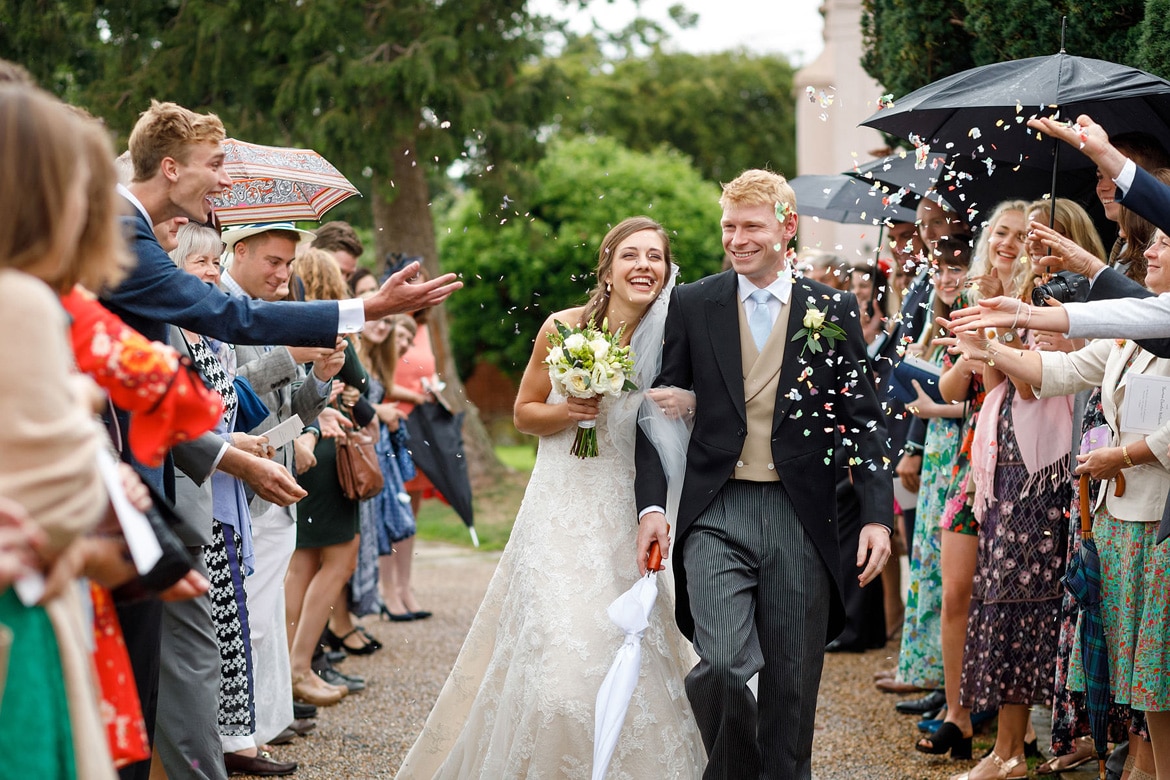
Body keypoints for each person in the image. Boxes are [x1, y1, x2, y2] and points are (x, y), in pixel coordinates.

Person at [100, 99, 459, 780]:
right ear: (170, 167)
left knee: (163, 658)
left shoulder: (130, 225)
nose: (224, 182)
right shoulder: (122, 229)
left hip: (155, 471)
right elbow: (221, 314)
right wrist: (363, 307)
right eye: (213, 166)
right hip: (128, 474)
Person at [396, 216, 706, 778]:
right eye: (630, 255)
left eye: (655, 257)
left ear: (667, 269)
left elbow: (686, 418)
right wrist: (570, 411)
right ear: (607, 267)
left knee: (633, 646)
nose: (644, 266)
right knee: (557, 669)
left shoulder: (676, 336)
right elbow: (523, 412)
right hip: (560, 507)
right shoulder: (563, 328)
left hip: (632, 512)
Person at [635, 170, 893, 779]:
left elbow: (862, 419)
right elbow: (656, 412)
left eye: (751, 226)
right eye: (729, 226)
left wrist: (877, 514)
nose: (737, 238)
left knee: (792, 680)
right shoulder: (694, 303)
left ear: (787, 226)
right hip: (716, 510)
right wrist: (650, 508)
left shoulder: (829, 309)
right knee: (722, 663)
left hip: (801, 514)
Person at [945, 228, 1170, 779]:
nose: (1150, 251)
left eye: (1164, 242)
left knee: (1158, 671)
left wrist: (1124, 455)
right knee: (1140, 677)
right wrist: (990, 346)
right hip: (1118, 519)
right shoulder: (1131, 332)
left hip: (1160, 517)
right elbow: (1061, 372)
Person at [220, 222, 345, 754]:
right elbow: (231, 389)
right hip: (239, 479)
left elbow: (294, 405)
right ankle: (234, 734)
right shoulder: (217, 305)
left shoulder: (267, 307)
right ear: (238, 251)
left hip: (280, 474)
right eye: (274, 261)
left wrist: (320, 376)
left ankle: (264, 719)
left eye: (289, 264)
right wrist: (293, 357)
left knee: (267, 614)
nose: (284, 274)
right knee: (245, 614)